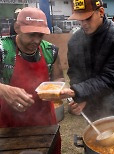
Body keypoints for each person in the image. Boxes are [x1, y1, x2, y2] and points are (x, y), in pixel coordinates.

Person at [0, 7, 62, 153]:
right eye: (31, 34)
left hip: (44, 120)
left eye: (40, 35)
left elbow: (58, 78)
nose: (36, 40)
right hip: (9, 122)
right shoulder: (3, 49)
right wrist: (3, 89)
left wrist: (55, 90)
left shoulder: (50, 51)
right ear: (17, 28)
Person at [60, 0, 114, 121]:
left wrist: (78, 92)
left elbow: (111, 77)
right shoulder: (75, 40)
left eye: (87, 18)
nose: (83, 24)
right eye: (80, 19)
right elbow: (74, 72)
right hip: (91, 106)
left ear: (101, 12)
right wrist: (81, 98)